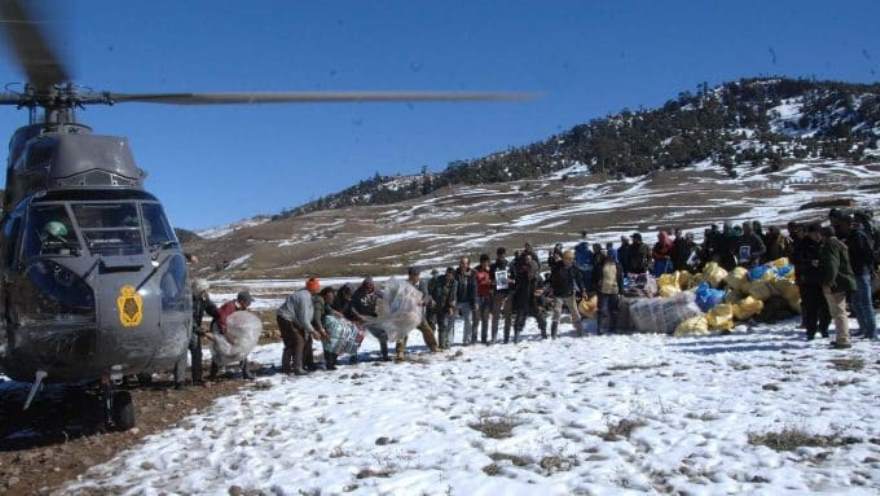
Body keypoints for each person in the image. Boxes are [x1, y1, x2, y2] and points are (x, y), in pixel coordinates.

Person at [833, 214, 877, 339]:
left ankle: (871, 332)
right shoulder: (850, 236)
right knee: (856, 303)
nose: (840, 227)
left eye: (842, 224)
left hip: (861, 272)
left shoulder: (858, 236)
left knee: (865, 302)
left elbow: (866, 254)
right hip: (853, 273)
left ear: (848, 224)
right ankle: (863, 328)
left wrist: (870, 269)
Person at [816, 225, 857, 349]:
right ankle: (842, 337)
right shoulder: (839, 244)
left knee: (838, 312)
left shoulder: (830, 245)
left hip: (836, 283)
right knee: (840, 312)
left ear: (824, 235)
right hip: (842, 281)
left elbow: (832, 265)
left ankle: (843, 340)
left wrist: (829, 281)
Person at [277, 279, 321, 375]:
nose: (319, 289)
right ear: (314, 289)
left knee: (292, 342)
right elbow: (304, 319)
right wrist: (313, 331)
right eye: (318, 287)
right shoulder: (305, 297)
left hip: (287, 318)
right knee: (298, 341)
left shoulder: (305, 294)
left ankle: (288, 367)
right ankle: (297, 367)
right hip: (286, 318)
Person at [209, 290, 256, 380]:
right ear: (242, 301)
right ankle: (212, 375)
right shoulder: (229, 306)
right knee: (220, 351)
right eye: (248, 302)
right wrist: (226, 335)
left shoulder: (241, 308)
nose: (249, 304)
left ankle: (246, 373)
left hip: (229, 329)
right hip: (219, 329)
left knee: (242, 348)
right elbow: (222, 320)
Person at [396, 267, 440, 359]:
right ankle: (400, 352)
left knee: (428, 330)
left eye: (418, 275)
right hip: (406, 314)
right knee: (402, 333)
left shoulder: (422, 283)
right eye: (415, 275)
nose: (417, 277)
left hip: (418, 314)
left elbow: (427, 295)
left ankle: (433, 347)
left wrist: (424, 301)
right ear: (410, 275)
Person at [510, 252, 547, 343]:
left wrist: (541, 291)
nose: (530, 271)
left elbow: (542, 286)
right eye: (528, 268)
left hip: (534, 301)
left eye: (532, 269)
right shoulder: (521, 276)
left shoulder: (538, 278)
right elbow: (515, 286)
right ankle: (516, 335)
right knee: (519, 320)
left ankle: (543, 331)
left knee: (541, 318)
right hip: (523, 301)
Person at [351, 276, 391, 361]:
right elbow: (352, 307)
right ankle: (353, 357)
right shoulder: (357, 294)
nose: (368, 288)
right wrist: (357, 316)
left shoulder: (376, 292)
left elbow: (387, 299)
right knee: (357, 338)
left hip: (372, 318)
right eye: (366, 286)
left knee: (383, 335)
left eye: (370, 286)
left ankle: (385, 355)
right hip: (360, 319)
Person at [188, 278, 219, 385]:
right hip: (186, 329)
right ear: (199, 290)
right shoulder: (188, 300)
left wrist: (220, 315)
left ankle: (197, 379)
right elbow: (189, 319)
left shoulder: (203, 298)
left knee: (197, 353)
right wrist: (200, 331)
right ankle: (180, 380)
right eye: (205, 290)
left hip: (195, 329)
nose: (207, 292)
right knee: (182, 355)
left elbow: (211, 309)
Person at [549, 250, 584, 338]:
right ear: (564, 259)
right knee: (557, 312)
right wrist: (551, 288)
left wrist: (583, 290)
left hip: (570, 293)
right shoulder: (557, 267)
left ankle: (580, 331)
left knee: (575, 312)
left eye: (571, 259)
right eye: (568, 259)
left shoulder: (574, 267)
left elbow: (579, 279)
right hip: (558, 293)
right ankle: (553, 332)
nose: (570, 261)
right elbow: (552, 279)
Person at [593, 245, 624, 334]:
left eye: (613, 255)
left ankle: (613, 327)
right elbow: (594, 276)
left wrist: (621, 291)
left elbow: (620, 279)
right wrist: (596, 284)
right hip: (602, 290)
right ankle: (600, 328)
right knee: (602, 310)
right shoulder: (601, 264)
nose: (611, 257)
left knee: (613, 310)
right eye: (610, 255)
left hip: (614, 290)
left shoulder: (618, 265)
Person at [489, 247, 514, 343]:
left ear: (505, 254)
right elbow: (490, 280)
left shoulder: (510, 265)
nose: (501, 256)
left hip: (508, 294)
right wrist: (493, 282)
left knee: (508, 316)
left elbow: (515, 279)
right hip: (497, 293)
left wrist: (511, 280)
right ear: (497, 255)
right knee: (495, 316)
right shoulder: (493, 266)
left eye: (503, 254)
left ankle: (506, 337)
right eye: (499, 254)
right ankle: (494, 337)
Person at [431, 267, 458, 349]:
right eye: (447, 274)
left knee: (443, 325)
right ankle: (433, 345)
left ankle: (443, 345)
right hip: (435, 305)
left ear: (453, 276)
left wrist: (450, 307)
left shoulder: (454, 283)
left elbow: (452, 296)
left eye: (450, 275)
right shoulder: (438, 280)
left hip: (445, 306)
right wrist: (431, 300)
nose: (448, 276)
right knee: (433, 325)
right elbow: (431, 290)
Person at [315, 287, 341, 370]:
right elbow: (317, 318)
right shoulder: (319, 302)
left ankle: (331, 362)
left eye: (332, 297)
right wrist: (321, 330)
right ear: (325, 295)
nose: (332, 299)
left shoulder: (323, 301)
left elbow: (328, 309)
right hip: (315, 325)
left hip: (322, 324)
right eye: (330, 297)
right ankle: (330, 364)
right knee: (328, 341)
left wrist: (336, 313)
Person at [453, 257, 478, 345]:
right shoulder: (455, 274)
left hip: (467, 301)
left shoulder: (472, 274)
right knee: (450, 321)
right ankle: (448, 341)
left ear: (468, 264)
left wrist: (474, 301)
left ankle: (466, 340)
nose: (463, 265)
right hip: (456, 300)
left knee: (468, 321)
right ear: (459, 264)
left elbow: (474, 288)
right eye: (462, 263)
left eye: (465, 263)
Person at [474, 255, 495, 344]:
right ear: (481, 262)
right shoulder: (475, 271)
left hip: (487, 296)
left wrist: (492, 283)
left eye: (487, 262)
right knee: (476, 319)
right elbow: (475, 283)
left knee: (485, 319)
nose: (486, 264)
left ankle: (484, 338)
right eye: (484, 262)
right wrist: (487, 282)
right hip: (478, 296)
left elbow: (493, 281)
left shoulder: (489, 271)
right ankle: (473, 338)